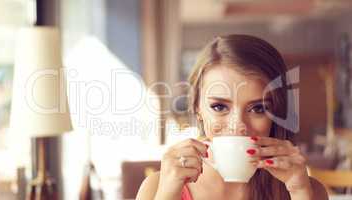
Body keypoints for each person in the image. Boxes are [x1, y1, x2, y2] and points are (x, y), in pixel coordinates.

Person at [136, 34, 328, 200]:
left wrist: (299, 192)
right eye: (219, 107)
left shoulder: (308, 191)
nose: (238, 126)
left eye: (258, 108)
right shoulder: (156, 188)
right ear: (197, 108)